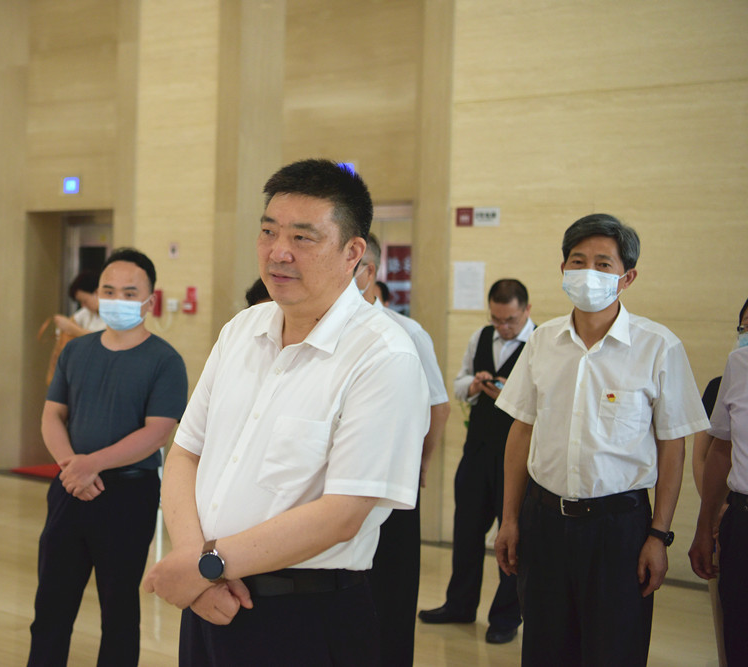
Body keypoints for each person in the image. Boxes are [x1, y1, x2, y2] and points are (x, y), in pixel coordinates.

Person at [142, 159, 430, 667]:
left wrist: (207, 565)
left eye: (302, 237)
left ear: (353, 253)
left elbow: (342, 515)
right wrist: (197, 566)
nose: (279, 251)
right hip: (210, 599)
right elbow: (186, 452)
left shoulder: (384, 356)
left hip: (306, 615)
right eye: (269, 231)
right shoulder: (241, 330)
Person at [493, 213, 709, 666]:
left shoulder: (658, 347)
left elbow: (673, 446)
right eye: (578, 261)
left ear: (627, 278)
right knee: (545, 650)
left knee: (615, 651)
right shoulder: (542, 342)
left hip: (619, 529)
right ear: (563, 268)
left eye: (603, 264)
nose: (588, 272)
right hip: (544, 522)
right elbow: (522, 430)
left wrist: (659, 535)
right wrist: (509, 518)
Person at [27, 248, 187, 667]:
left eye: (129, 293)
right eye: (109, 291)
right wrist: (72, 466)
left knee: (118, 610)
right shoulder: (76, 352)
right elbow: (51, 416)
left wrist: (91, 464)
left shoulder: (166, 360)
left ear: (149, 301)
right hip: (70, 486)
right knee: (51, 604)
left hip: (128, 493)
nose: (117, 300)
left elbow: (157, 432)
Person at [418, 278, 534, 644]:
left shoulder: (541, 343)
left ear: (526, 311)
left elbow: (544, 401)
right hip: (477, 451)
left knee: (511, 537)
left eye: (510, 320)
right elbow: (458, 383)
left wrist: (508, 393)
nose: (502, 326)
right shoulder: (481, 337)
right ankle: (460, 605)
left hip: (517, 459)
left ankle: (506, 618)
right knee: (466, 531)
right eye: (496, 319)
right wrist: (474, 384)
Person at [356, 234, 450, 665]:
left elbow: (439, 406)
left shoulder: (406, 332)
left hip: (391, 482)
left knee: (390, 592)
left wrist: (420, 465)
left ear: (368, 272)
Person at [689, 296, 748, 666]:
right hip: (741, 521)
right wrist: (706, 522)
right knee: (737, 635)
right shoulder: (738, 365)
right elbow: (718, 451)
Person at [52, 270, 106, 338]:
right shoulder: (86, 312)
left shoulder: (113, 315)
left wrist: (72, 329)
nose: (83, 305)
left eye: (85, 301)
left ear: (97, 292)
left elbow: (103, 340)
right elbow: (70, 322)